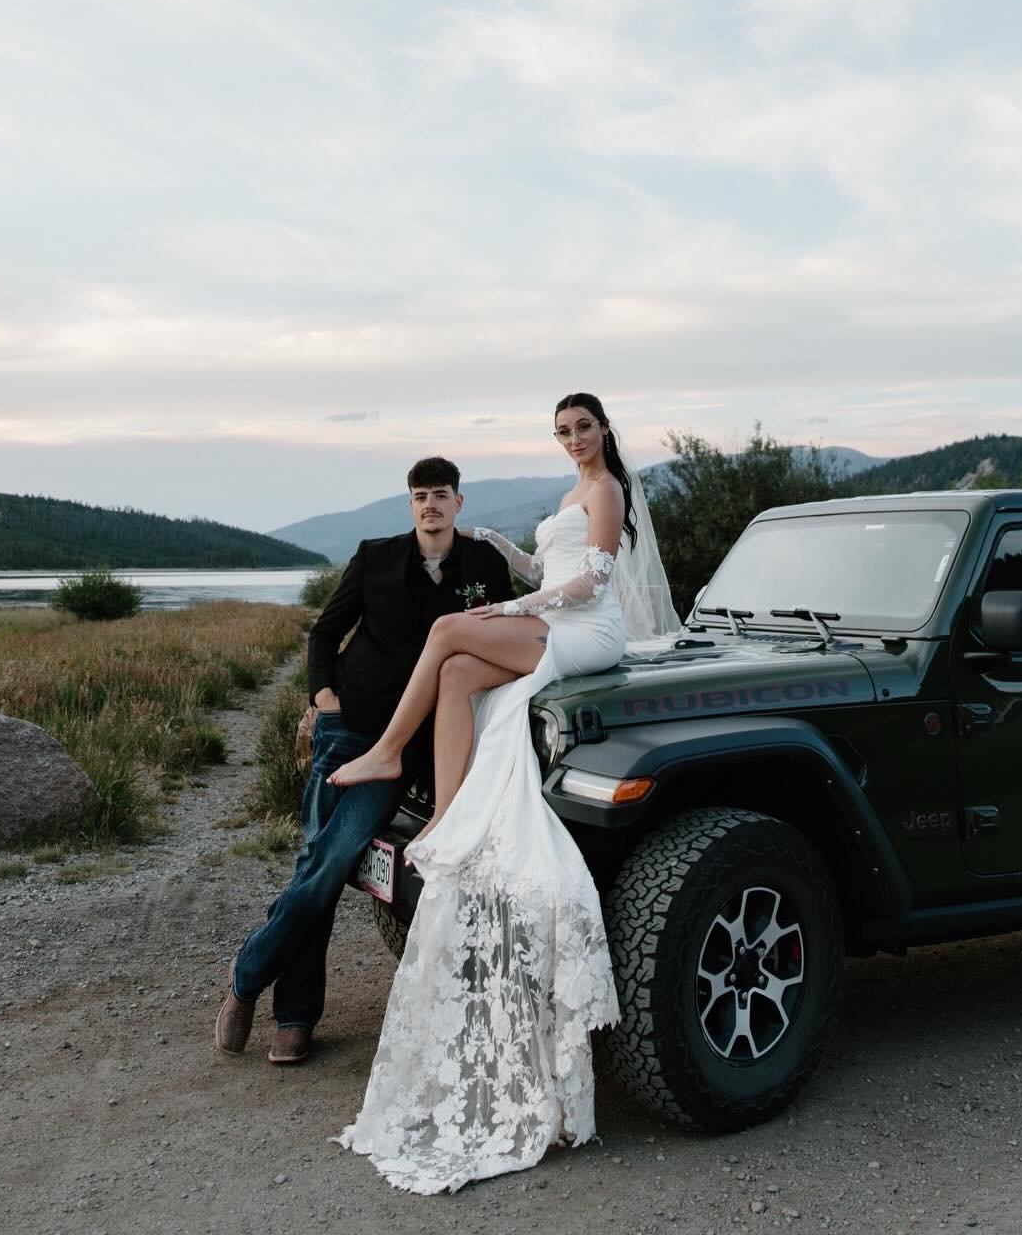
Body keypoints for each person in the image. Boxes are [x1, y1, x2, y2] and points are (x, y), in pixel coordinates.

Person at [331, 392, 678, 1193]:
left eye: (582, 428)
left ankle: (387, 751)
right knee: (454, 672)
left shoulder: (607, 490)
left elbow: (589, 584)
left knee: (448, 632)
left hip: (587, 633)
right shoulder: (567, 496)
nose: (572, 441)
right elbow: (552, 568)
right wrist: (505, 557)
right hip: (556, 616)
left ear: (603, 431)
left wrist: (513, 604)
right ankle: (449, 820)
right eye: (561, 433)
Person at [212, 456, 512, 1066]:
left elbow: (501, 636)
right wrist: (323, 701)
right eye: (420, 495)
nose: (431, 504)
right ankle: (291, 1016)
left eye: (441, 494)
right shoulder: (374, 556)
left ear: (460, 503)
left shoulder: (485, 565)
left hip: (425, 745)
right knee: (319, 863)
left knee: (328, 860)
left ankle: (248, 975)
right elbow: (325, 632)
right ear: (411, 505)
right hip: (352, 732)